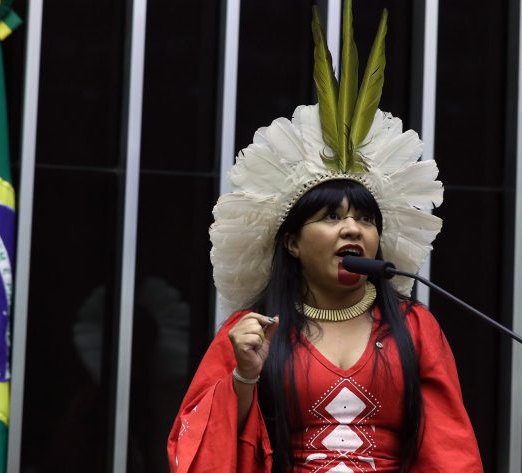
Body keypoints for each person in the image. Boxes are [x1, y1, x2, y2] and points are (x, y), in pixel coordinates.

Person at [167, 2, 483, 471]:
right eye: (331, 217)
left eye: (365, 219)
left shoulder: (416, 329)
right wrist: (243, 379)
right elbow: (196, 451)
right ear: (291, 241)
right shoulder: (251, 331)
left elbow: (450, 455)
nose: (353, 228)